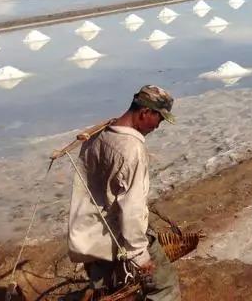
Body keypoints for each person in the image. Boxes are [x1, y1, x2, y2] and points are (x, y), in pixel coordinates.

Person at [68, 85, 181, 300]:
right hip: (121, 236)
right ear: (145, 113)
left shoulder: (98, 134)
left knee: (107, 289)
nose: (158, 126)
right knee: (164, 286)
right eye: (160, 119)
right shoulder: (132, 150)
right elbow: (131, 209)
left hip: (92, 233)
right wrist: (140, 255)